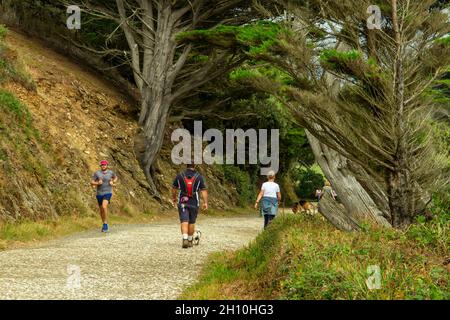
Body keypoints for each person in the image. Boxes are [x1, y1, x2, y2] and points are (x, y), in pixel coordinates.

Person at [172, 163, 208, 248]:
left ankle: (184, 238)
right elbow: (203, 191)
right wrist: (205, 202)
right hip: (194, 202)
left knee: (184, 220)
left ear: (186, 165)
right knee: (192, 222)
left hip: (182, 201)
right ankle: (190, 240)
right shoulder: (199, 177)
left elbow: (174, 188)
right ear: (194, 166)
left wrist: (173, 198)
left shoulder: (180, 176)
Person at [91, 160, 118, 232]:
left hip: (108, 192)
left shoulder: (110, 172)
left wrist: (113, 181)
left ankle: (105, 223)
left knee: (104, 206)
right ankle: (103, 224)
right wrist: (97, 183)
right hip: (99, 193)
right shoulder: (97, 173)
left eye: (105, 165)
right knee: (101, 210)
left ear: (107, 165)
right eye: (102, 165)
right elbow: (92, 182)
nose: (103, 166)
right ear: (100, 166)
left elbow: (115, 177)